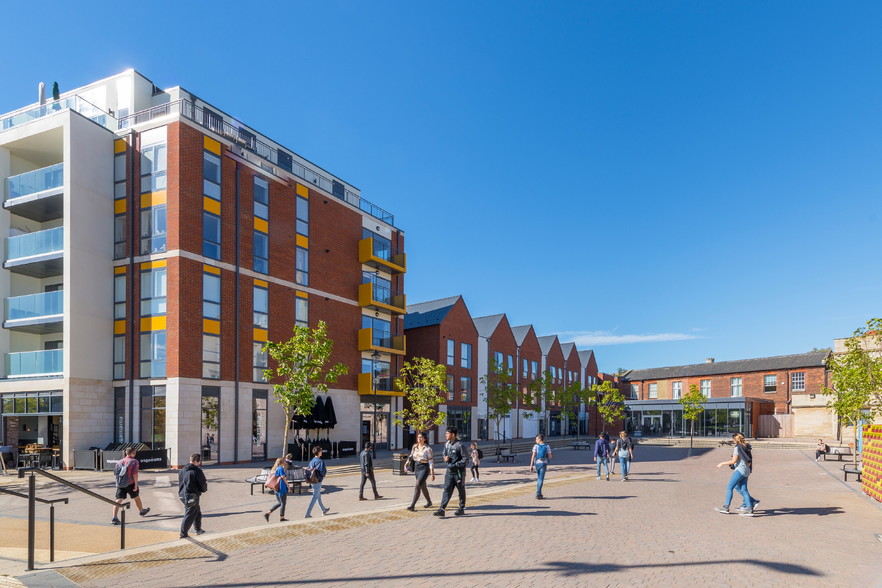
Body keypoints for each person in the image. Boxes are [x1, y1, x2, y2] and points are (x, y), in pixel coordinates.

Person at [714, 432, 759, 516]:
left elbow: (733, 461)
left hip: (740, 470)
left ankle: (726, 507)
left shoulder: (737, 448)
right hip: (746, 470)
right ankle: (749, 508)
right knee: (744, 489)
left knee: (729, 487)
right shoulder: (746, 446)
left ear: (735, 440)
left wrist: (722, 463)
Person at [111, 447, 150, 525]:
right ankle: (141, 511)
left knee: (118, 499)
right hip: (130, 483)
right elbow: (135, 474)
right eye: (134, 453)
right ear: (133, 453)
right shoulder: (134, 461)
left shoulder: (119, 462)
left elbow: (116, 473)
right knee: (136, 497)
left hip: (120, 483)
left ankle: (114, 517)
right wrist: (135, 484)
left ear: (126, 453)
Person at [434, 427, 467, 517]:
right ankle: (442, 509)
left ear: (453, 434)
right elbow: (444, 453)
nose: (445, 435)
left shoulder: (460, 445)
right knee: (446, 490)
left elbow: (466, 459)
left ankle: (461, 508)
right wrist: (445, 458)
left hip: (458, 473)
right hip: (449, 472)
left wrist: (456, 465)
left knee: (461, 490)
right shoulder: (447, 444)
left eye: (447, 433)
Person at [178, 453, 208, 538]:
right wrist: (203, 490)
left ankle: (198, 529)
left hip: (182, 495)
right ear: (197, 461)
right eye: (199, 461)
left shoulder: (182, 470)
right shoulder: (197, 471)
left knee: (197, 512)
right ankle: (183, 534)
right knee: (189, 514)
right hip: (192, 496)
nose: (199, 463)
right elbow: (203, 484)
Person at [406, 432, 435, 511]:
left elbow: (431, 461)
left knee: (418, 485)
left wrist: (432, 473)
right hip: (417, 467)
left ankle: (412, 505)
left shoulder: (428, 449)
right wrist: (406, 464)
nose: (419, 439)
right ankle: (429, 502)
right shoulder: (415, 446)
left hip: (424, 468)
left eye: (421, 437)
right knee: (423, 486)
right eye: (418, 437)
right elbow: (411, 456)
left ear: (425, 439)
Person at [305, 446, 330, 518]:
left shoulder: (311, 461)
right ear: (318, 452)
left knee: (318, 495)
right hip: (318, 481)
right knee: (315, 496)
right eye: (321, 451)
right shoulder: (320, 461)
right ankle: (307, 514)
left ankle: (324, 509)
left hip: (312, 481)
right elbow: (323, 472)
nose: (322, 452)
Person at [263, 457, 289, 522]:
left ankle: (268, 513)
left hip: (276, 488)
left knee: (280, 503)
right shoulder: (281, 468)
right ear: (282, 462)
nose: (285, 462)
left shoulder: (276, 468)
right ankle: (282, 518)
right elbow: (283, 477)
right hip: (281, 488)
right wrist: (288, 485)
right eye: (284, 461)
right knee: (283, 503)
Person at [529, 434, 552, 499]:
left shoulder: (536, 446)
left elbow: (533, 456)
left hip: (537, 463)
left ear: (539, 439)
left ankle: (539, 492)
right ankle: (538, 493)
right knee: (541, 478)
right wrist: (547, 456)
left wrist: (531, 465)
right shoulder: (547, 446)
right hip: (544, 463)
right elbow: (550, 456)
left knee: (538, 477)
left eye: (536, 439)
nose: (535, 440)